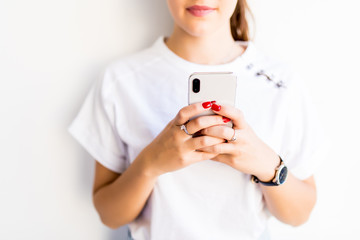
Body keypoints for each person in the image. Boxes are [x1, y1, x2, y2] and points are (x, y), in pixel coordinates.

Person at [68, 0, 325, 239]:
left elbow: (299, 214)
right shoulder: (120, 80)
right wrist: (151, 164)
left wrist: (267, 165)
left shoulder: (281, 83)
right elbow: (110, 215)